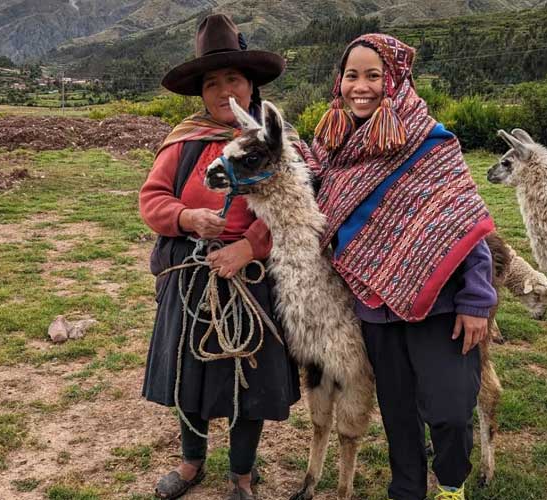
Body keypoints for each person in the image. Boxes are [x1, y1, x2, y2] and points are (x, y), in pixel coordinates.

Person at [307, 34, 497, 500]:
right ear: (339, 81)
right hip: (374, 310)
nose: (361, 87)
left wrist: (477, 299)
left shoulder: (431, 144)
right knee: (397, 413)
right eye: (352, 75)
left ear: (395, 81)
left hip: (441, 305)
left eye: (374, 75)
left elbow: (465, 221)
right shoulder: (331, 149)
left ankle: (450, 485)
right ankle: (407, 490)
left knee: (450, 409)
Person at [139, 14, 300, 500]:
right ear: (201, 93)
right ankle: (191, 463)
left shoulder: (275, 142)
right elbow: (152, 198)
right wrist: (186, 217)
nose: (224, 90)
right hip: (192, 275)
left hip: (252, 276)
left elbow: (294, 206)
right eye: (212, 83)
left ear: (250, 86)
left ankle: (242, 475)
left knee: (249, 382)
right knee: (189, 375)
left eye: (233, 79)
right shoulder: (183, 142)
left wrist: (249, 245)